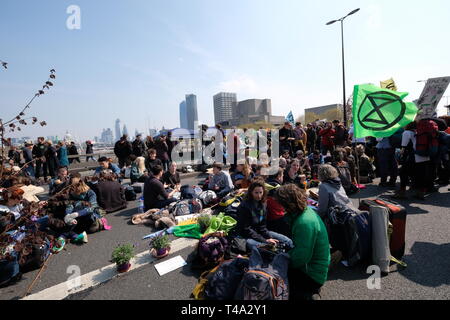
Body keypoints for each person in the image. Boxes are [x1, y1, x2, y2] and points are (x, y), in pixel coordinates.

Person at [274, 184, 330, 300]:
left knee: (275, 276)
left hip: (312, 274)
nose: (279, 206)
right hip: (316, 266)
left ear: (287, 203)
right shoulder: (305, 211)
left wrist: (281, 262)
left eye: (281, 203)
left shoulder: (304, 222)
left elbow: (301, 257)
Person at [235, 178, 293, 252]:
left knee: (287, 241)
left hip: (260, 232)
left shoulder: (263, 204)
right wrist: (265, 240)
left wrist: (269, 237)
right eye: (256, 192)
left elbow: (262, 226)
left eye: (260, 192)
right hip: (247, 237)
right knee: (269, 248)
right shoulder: (244, 207)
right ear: (251, 192)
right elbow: (246, 229)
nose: (259, 195)